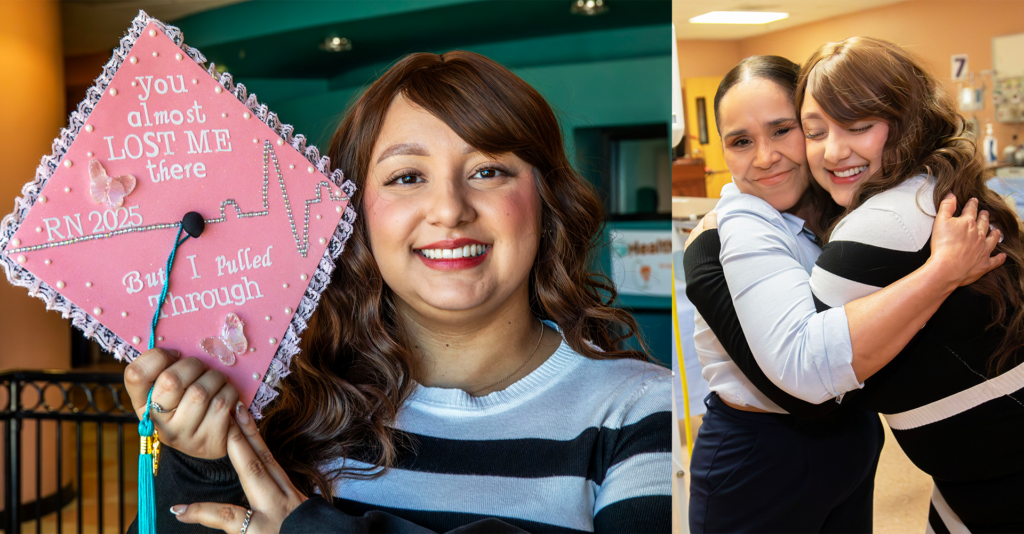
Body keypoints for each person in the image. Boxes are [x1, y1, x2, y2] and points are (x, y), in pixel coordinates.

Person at [124, 51, 672, 534]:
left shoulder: (640, 411)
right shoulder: (284, 410)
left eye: (487, 170)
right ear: (357, 217)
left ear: (546, 200)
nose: (451, 209)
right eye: (407, 177)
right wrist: (201, 462)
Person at [686, 37, 1024, 533]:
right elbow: (803, 383)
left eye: (784, 131)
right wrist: (941, 271)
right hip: (763, 449)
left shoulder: (853, 208)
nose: (765, 157)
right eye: (740, 141)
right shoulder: (738, 229)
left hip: (858, 440)